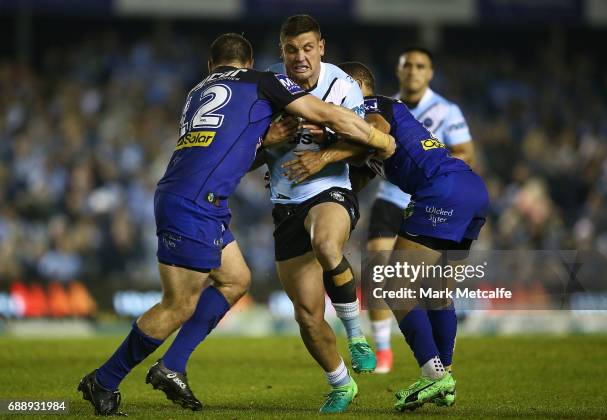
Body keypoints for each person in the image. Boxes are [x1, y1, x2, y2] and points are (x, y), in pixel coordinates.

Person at [77, 35, 395, 416]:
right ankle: (105, 380)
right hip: (195, 202)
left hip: (191, 196)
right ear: (247, 62)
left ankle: (172, 366)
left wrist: (265, 138)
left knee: (236, 279)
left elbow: (226, 142)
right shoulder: (260, 81)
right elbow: (326, 114)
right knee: (178, 304)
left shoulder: (198, 91)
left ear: (214, 67)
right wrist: (378, 139)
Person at [282, 61, 488, 411]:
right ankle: (445, 376)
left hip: (440, 191)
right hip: (471, 190)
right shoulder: (356, 129)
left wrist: (325, 156)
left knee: (393, 285)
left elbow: (378, 135)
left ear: (355, 84)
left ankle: (434, 375)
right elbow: (359, 176)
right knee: (437, 291)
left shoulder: (372, 105)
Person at [258, 15, 377, 414]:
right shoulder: (267, 84)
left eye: (308, 48)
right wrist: (267, 140)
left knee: (326, 244)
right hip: (285, 205)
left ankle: (357, 335)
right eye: (292, 49)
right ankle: (341, 383)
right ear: (282, 50)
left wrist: (323, 156)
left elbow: (367, 145)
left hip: (330, 191)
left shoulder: (342, 86)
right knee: (308, 316)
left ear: (321, 47)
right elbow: (243, 153)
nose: (300, 57)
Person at [368, 47, 475, 374]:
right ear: (399, 72)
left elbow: (465, 154)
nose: (413, 71)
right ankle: (383, 351)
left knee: (435, 289)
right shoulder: (384, 107)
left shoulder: (447, 110)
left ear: (429, 73)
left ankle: (440, 360)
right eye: (407, 66)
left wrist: (431, 170)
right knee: (378, 271)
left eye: (420, 66)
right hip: (391, 199)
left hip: (432, 200)